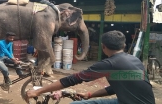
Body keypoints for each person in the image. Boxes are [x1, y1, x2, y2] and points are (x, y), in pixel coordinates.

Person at [25, 30, 155, 104]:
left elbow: (71, 80)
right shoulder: (134, 60)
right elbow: (113, 88)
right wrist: (90, 94)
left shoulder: (108, 64)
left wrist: (37, 91)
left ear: (103, 47)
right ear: (124, 46)